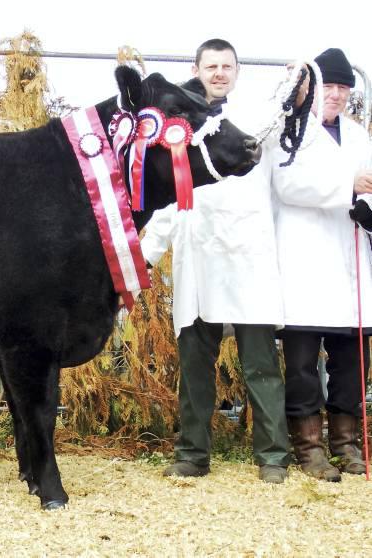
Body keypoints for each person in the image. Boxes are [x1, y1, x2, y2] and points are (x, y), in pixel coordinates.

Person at [141, 38, 290, 484]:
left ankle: (273, 456)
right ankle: (192, 454)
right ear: (197, 68)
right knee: (195, 368)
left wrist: (300, 75)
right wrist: (143, 257)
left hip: (249, 259)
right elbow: (167, 199)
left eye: (228, 66)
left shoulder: (258, 123)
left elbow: (291, 105)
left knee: (262, 366)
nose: (220, 73)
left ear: (238, 72)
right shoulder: (177, 128)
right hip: (199, 260)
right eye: (212, 66)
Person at [271, 47, 372, 481]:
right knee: (302, 366)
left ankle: (347, 446)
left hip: (350, 258)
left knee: (351, 362)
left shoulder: (358, 134)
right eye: (328, 86)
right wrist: (346, 186)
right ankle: (309, 448)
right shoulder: (289, 131)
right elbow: (287, 184)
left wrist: (365, 202)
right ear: (311, 88)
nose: (335, 95)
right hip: (304, 262)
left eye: (343, 88)